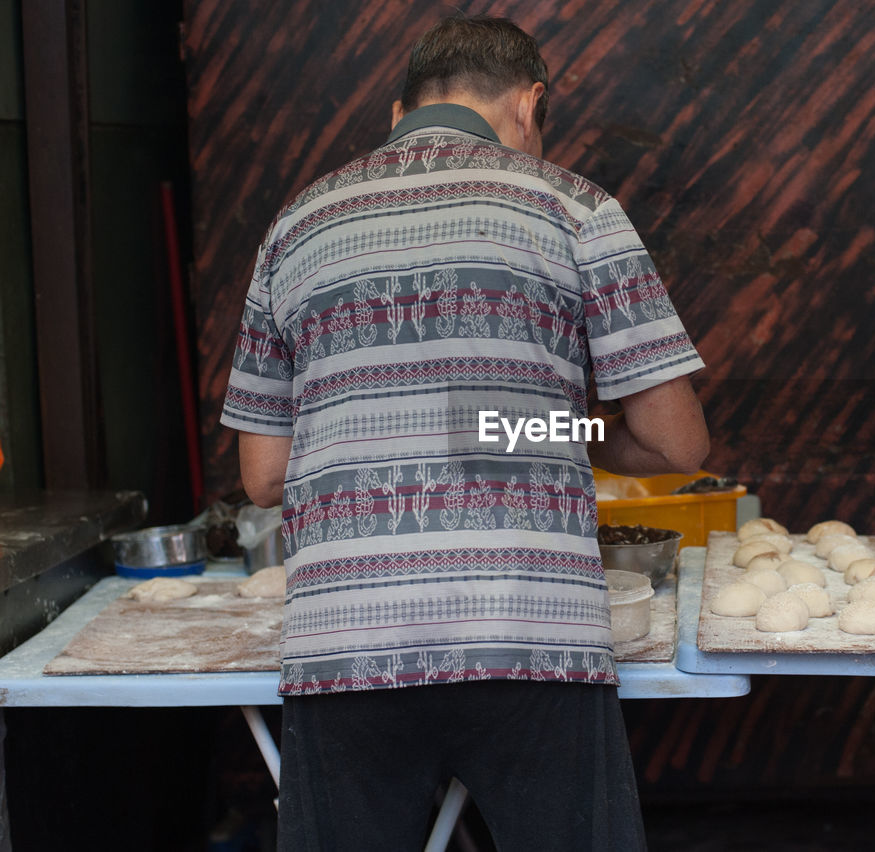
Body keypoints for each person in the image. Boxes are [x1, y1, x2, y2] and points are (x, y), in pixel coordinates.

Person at [220, 14, 709, 852]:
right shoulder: (577, 208)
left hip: (346, 643)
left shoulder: (293, 227)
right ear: (530, 105)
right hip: (530, 632)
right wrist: (532, 425)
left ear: (399, 109)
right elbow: (677, 446)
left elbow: (265, 476)